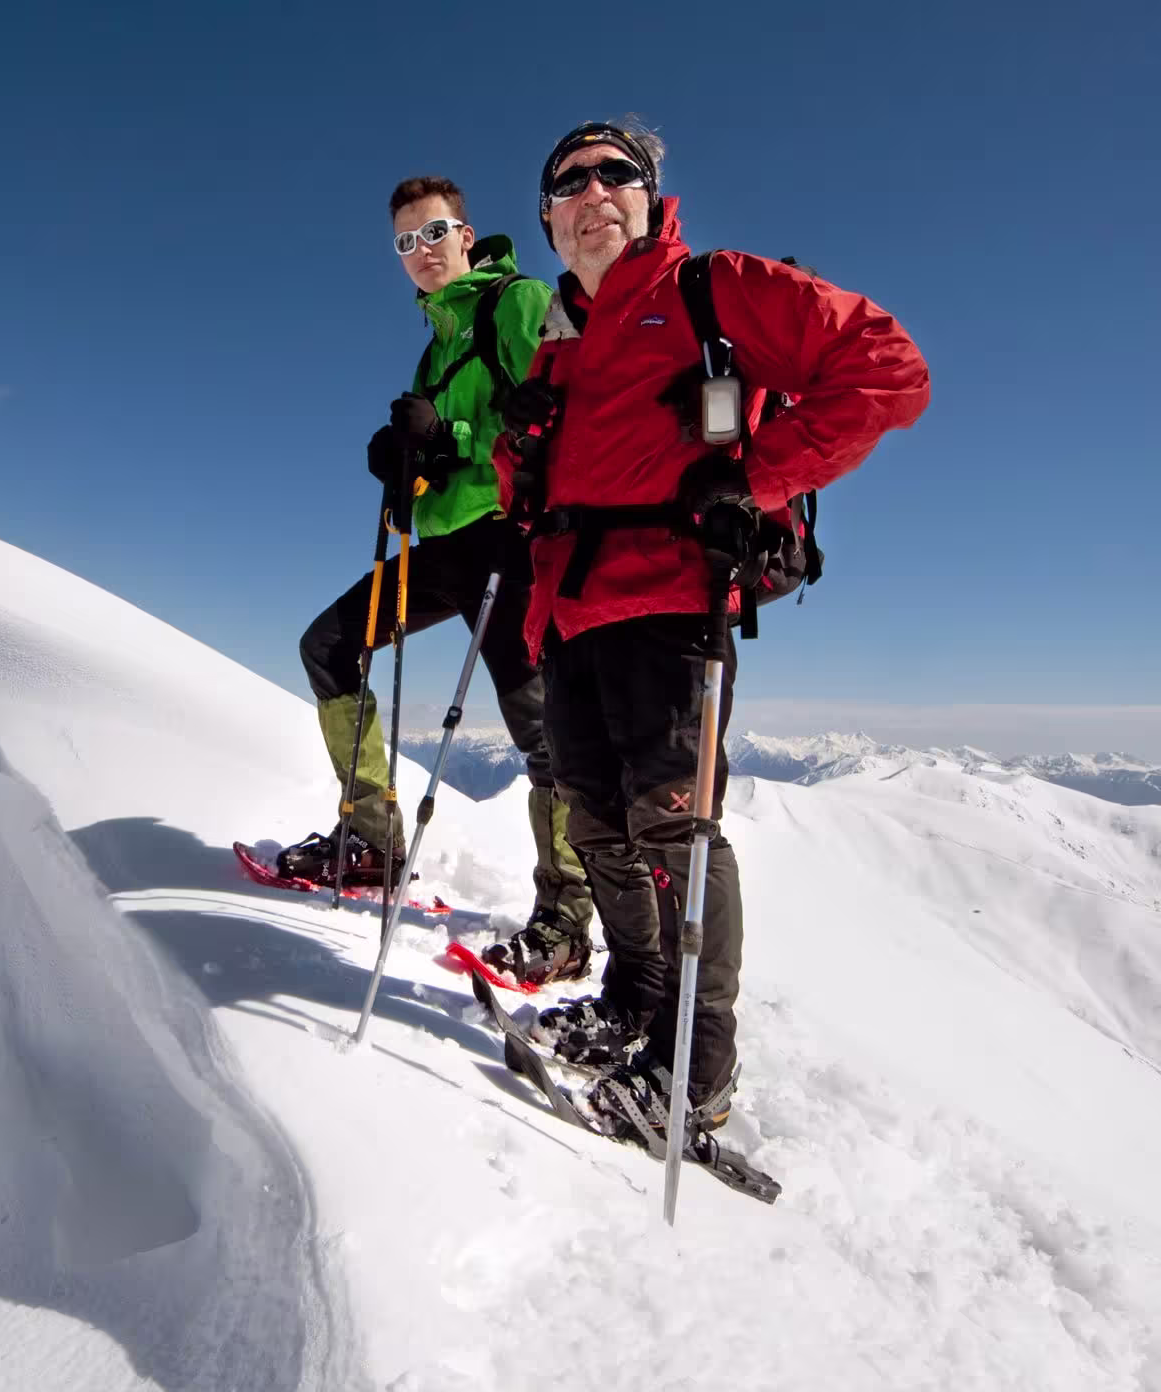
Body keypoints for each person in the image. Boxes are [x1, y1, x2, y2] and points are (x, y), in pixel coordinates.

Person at [499, 121, 930, 1135]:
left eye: (616, 174)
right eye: (568, 182)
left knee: (672, 829)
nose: (592, 190)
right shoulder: (557, 347)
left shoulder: (712, 289)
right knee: (595, 821)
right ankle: (634, 1001)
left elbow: (886, 366)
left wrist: (755, 477)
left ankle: (697, 1066)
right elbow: (531, 499)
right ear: (549, 222)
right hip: (567, 609)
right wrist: (519, 445)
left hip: (668, 601)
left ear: (649, 198)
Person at [276, 175, 595, 980]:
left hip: (512, 546)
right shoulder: (434, 348)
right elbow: (441, 464)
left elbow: (561, 407)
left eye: (434, 232)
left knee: (544, 735)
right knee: (328, 647)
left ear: (466, 233)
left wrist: (450, 435)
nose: (421, 252)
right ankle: (376, 839)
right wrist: (406, 466)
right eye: (404, 242)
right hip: (447, 552)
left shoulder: (518, 305)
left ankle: (566, 914)